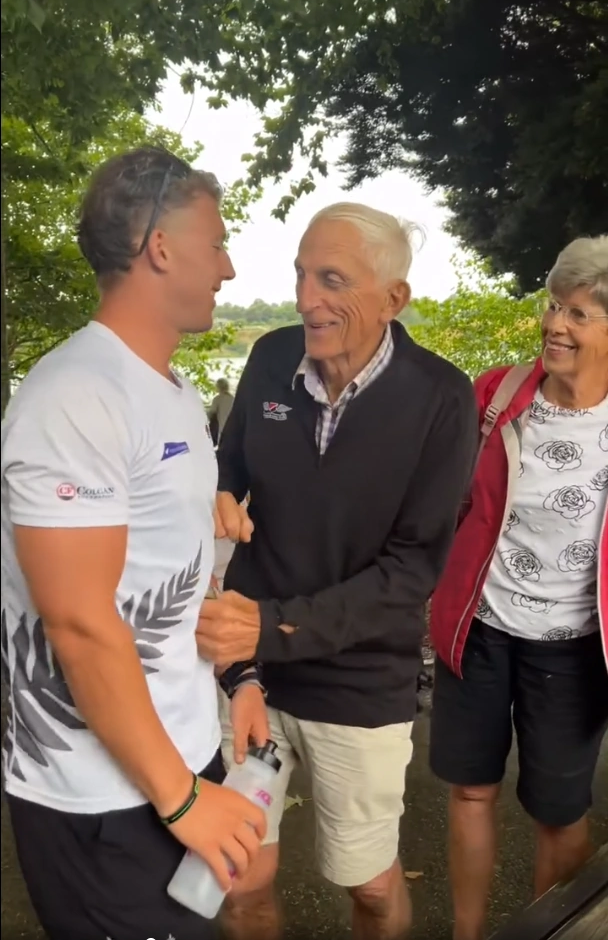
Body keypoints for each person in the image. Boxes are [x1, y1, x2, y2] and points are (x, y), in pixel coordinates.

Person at [0, 146, 267, 940]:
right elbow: (82, 625)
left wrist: (240, 677)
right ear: (159, 247)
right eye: (215, 241)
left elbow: (166, 579)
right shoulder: (75, 398)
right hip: (101, 799)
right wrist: (182, 798)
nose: (226, 266)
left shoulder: (174, 393)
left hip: (177, 761)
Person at [196, 202, 479, 940]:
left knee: (372, 888)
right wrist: (224, 486)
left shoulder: (442, 398)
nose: (304, 298)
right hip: (249, 673)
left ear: (394, 298)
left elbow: (412, 570)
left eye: (330, 279)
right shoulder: (267, 359)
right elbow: (233, 457)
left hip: (359, 679)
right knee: (239, 884)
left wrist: (273, 623)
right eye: (299, 274)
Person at [428, 236, 608, 940]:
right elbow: (442, 499)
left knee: (560, 815)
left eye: (580, 314)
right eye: (554, 306)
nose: (556, 325)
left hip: (572, 650)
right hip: (481, 629)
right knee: (471, 790)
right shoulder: (497, 396)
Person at [209, 377, 235, 445]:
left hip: (222, 429)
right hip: (234, 429)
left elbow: (211, 412)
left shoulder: (218, 399)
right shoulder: (233, 399)